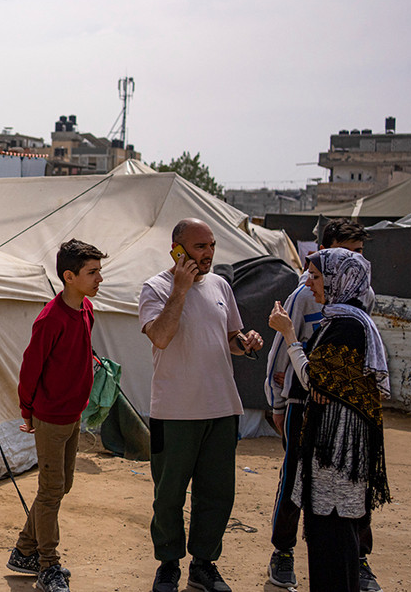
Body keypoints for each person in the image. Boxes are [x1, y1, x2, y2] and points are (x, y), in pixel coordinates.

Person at [138, 218, 263, 592]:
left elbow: (230, 338)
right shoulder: (156, 288)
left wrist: (246, 343)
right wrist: (180, 290)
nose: (207, 254)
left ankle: (204, 565)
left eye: (211, 246)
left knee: (217, 492)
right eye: (199, 247)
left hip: (222, 408)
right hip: (174, 412)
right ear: (177, 249)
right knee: (169, 495)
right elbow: (160, 337)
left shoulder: (222, 285)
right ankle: (168, 564)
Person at [264, 219, 381, 590]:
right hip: (330, 431)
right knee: (325, 523)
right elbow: (317, 378)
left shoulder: (347, 323)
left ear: (337, 278)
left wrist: (288, 335)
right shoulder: (339, 317)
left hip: (336, 442)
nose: (308, 282)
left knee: (332, 528)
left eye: (315, 275)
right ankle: (286, 554)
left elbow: (316, 380)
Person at [6, 239, 106, 592]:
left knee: (62, 485)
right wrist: (28, 411)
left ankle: (24, 549)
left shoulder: (88, 310)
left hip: (73, 414)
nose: (99, 278)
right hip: (50, 416)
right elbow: (30, 369)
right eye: (92, 272)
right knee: (50, 491)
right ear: (69, 276)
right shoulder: (50, 319)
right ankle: (48, 565)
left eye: (98, 270)